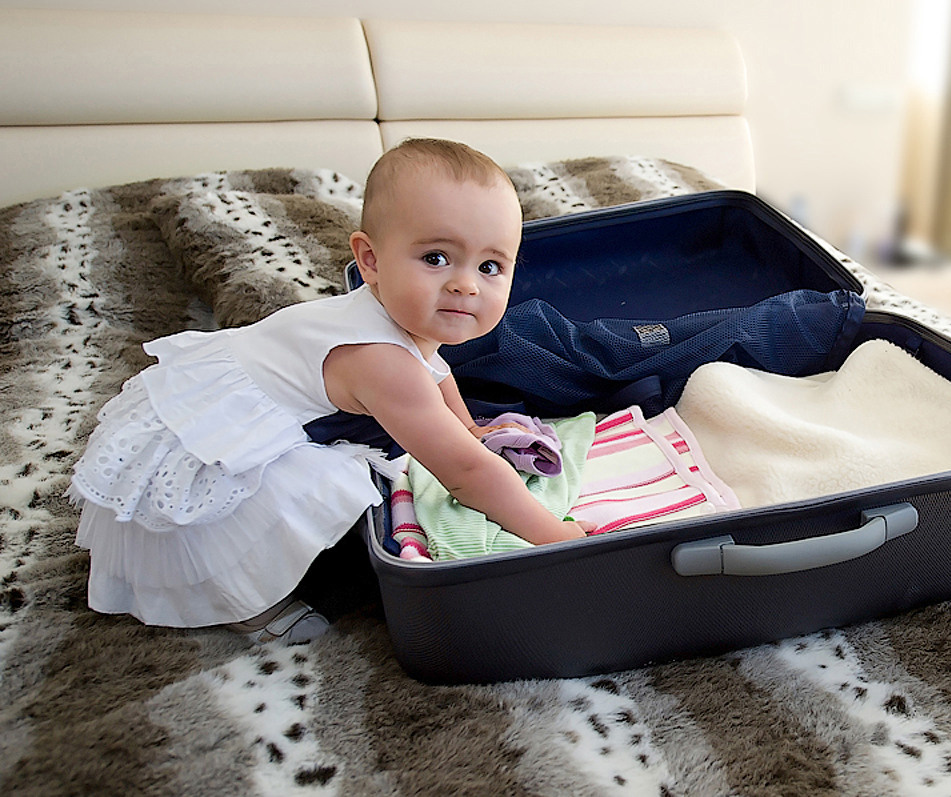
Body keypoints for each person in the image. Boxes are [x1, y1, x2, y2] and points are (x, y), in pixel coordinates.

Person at [67, 138, 594, 643]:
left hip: (223, 413)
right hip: (204, 460)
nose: (466, 284)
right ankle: (245, 606)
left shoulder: (405, 321)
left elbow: (436, 372)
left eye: (490, 266)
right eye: (436, 258)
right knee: (334, 481)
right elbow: (466, 472)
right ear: (370, 260)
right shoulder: (379, 360)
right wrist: (557, 538)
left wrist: (470, 429)